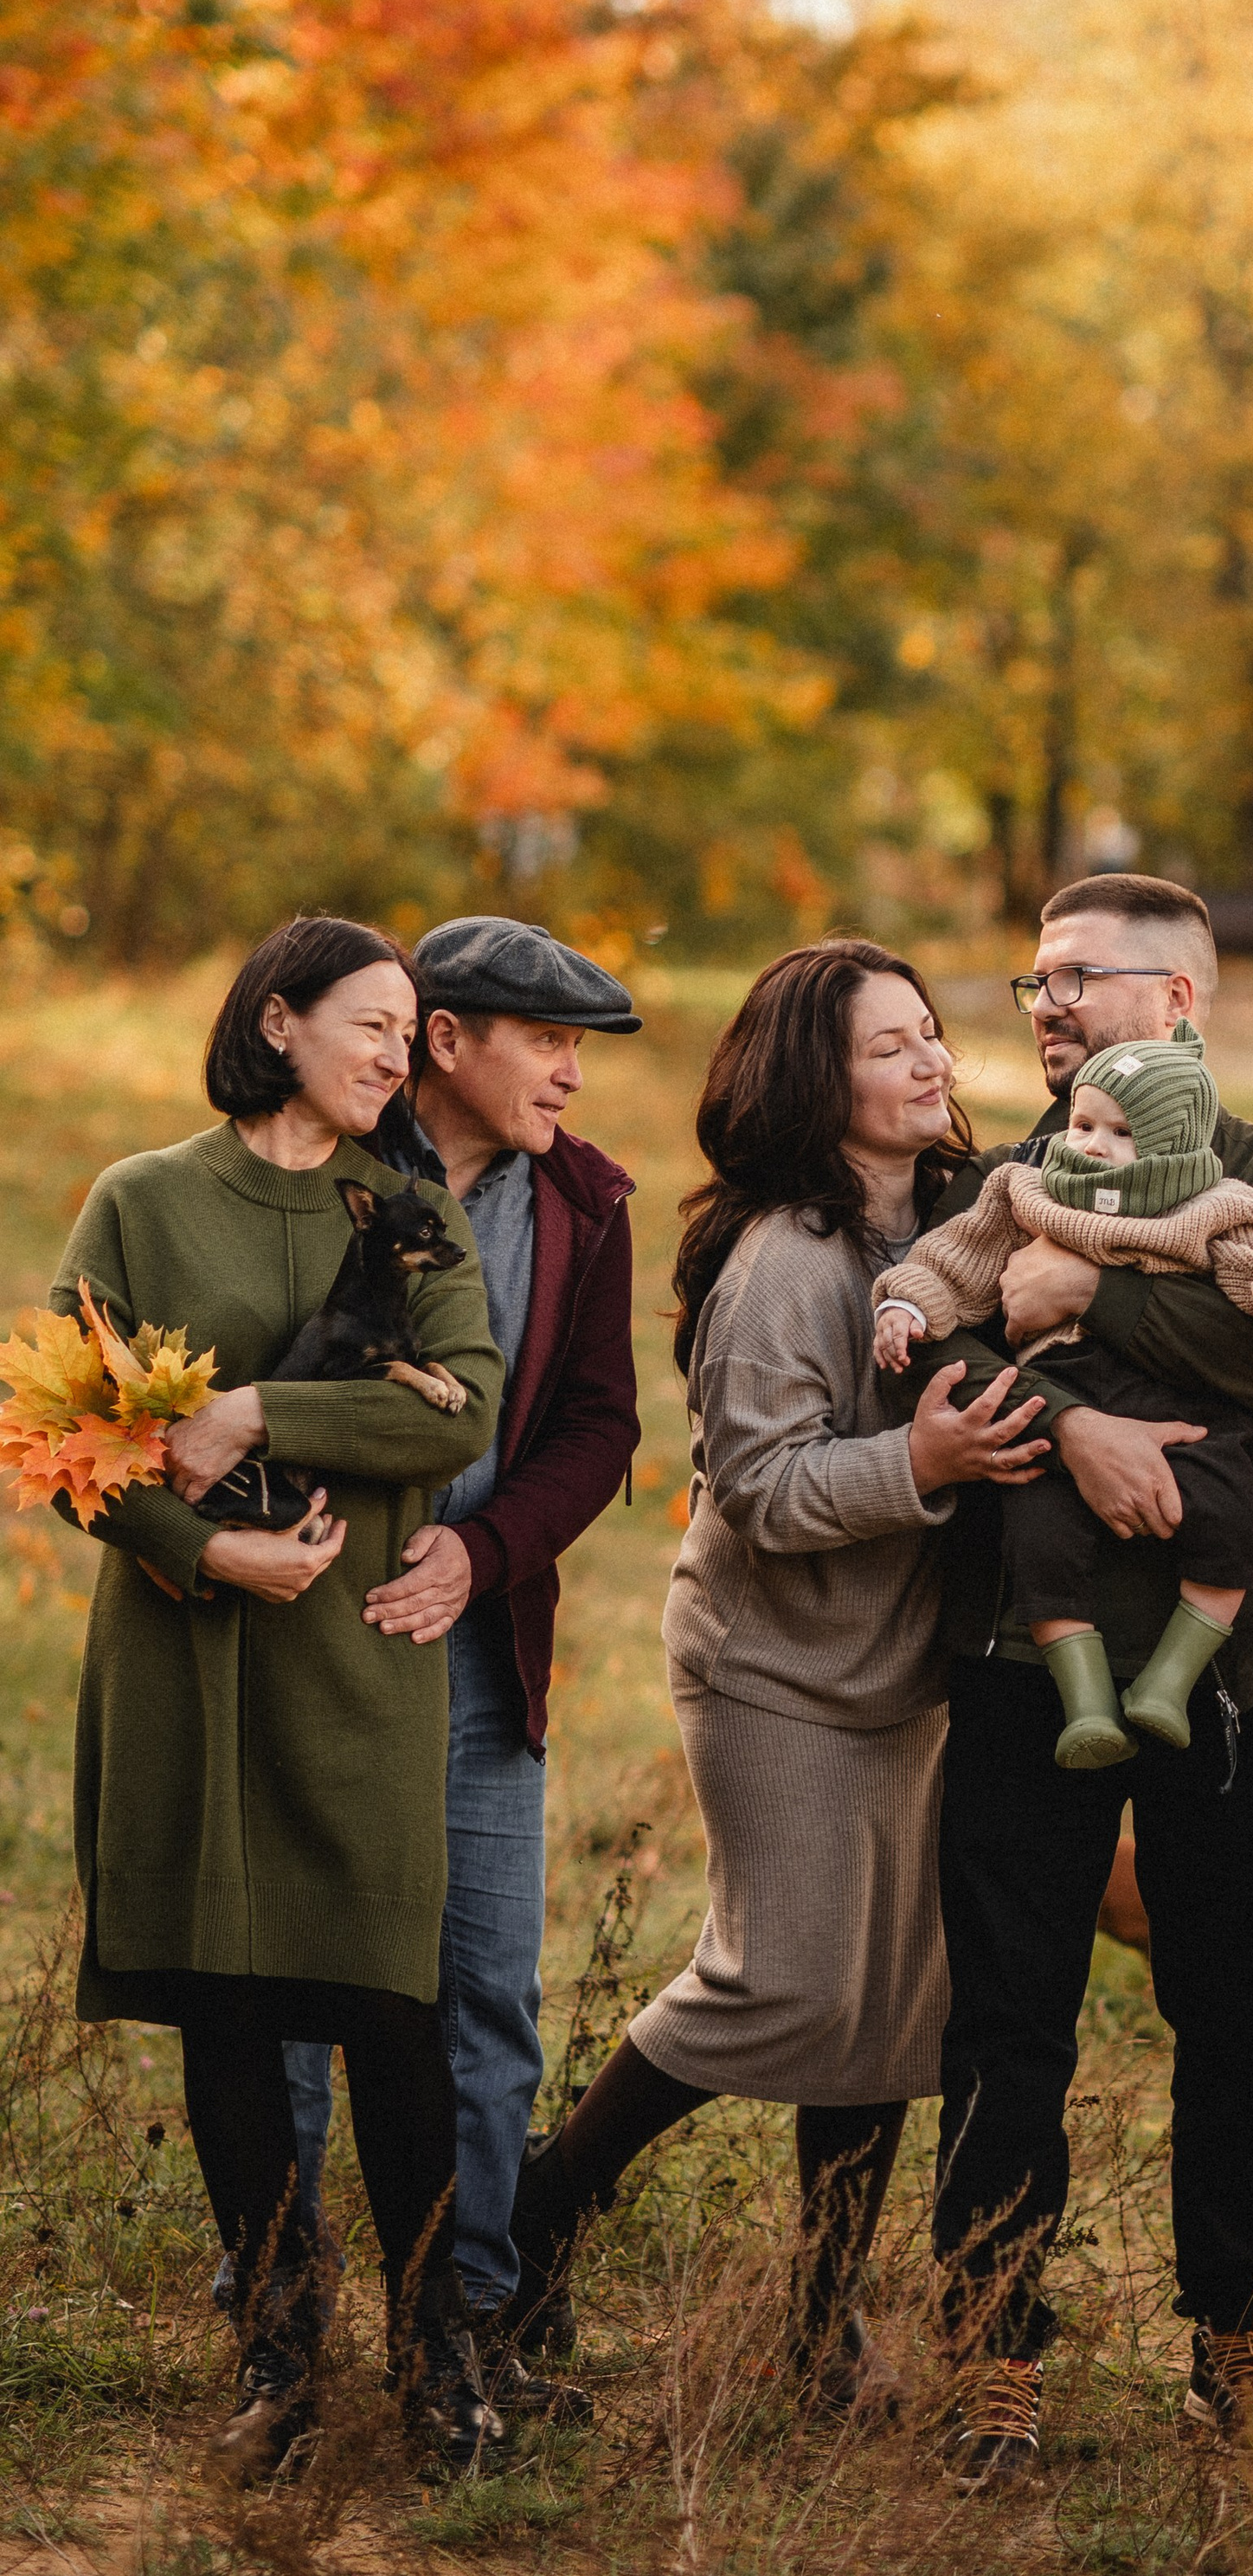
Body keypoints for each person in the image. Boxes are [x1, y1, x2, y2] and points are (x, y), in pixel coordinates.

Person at [505, 939, 1047, 2414]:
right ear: (819, 1077)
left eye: (934, 1033)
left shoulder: (959, 1225)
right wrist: (922, 1458)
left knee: (883, 1999)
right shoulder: (787, 1261)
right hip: (780, 1674)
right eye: (891, 1045)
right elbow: (759, 1490)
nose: (932, 1060)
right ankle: (539, 2212)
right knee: (785, 1975)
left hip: (911, 1671)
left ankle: (819, 2322)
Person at [901, 873, 1253, 2487]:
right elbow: (925, 1341)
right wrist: (1081, 1422)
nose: (1040, 1003)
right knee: (1010, 2012)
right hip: (1020, 1660)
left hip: (1227, 1672)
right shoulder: (1004, 1179)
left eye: (1076, 978)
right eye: (1029, 980)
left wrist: (1093, 1297)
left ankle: (1240, 2335)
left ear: (1180, 1002)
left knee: (1228, 2013)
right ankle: (990, 2348)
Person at [55, 915, 506, 2479]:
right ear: (278, 1020)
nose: (399, 1053)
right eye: (374, 1024)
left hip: (358, 1663)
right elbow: (73, 1438)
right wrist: (204, 1550)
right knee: (230, 2009)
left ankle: (440, 2348)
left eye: (411, 1031)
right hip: (186, 1660)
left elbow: (464, 1408)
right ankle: (279, 2339)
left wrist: (251, 1403)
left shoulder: (408, 1204)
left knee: (390, 2008)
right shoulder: (143, 1201)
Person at [272, 918, 642, 2407]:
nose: (568, 1070)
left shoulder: (585, 1205)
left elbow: (604, 1425)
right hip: (304, 1630)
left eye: (580, 1045)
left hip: (480, 1645)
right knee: (294, 1979)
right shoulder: (324, 1168)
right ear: (444, 1042)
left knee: (484, 1985)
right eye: (541, 1038)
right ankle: (278, 2305)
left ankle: (470, 2312)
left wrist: (481, 1555)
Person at [871, 1026, 1253, 1764]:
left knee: (1237, 1513)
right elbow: (955, 1258)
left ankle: (1169, 1679)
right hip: (1065, 1379)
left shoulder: (1211, 1201)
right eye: (1082, 1123)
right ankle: (1085, 1697)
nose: (1089, 1144)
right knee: (1040, 1535)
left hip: (1184, 1408)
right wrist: (908, 1304)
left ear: (1175, 1146)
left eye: (1120, 1133)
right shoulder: (1024, 1189)